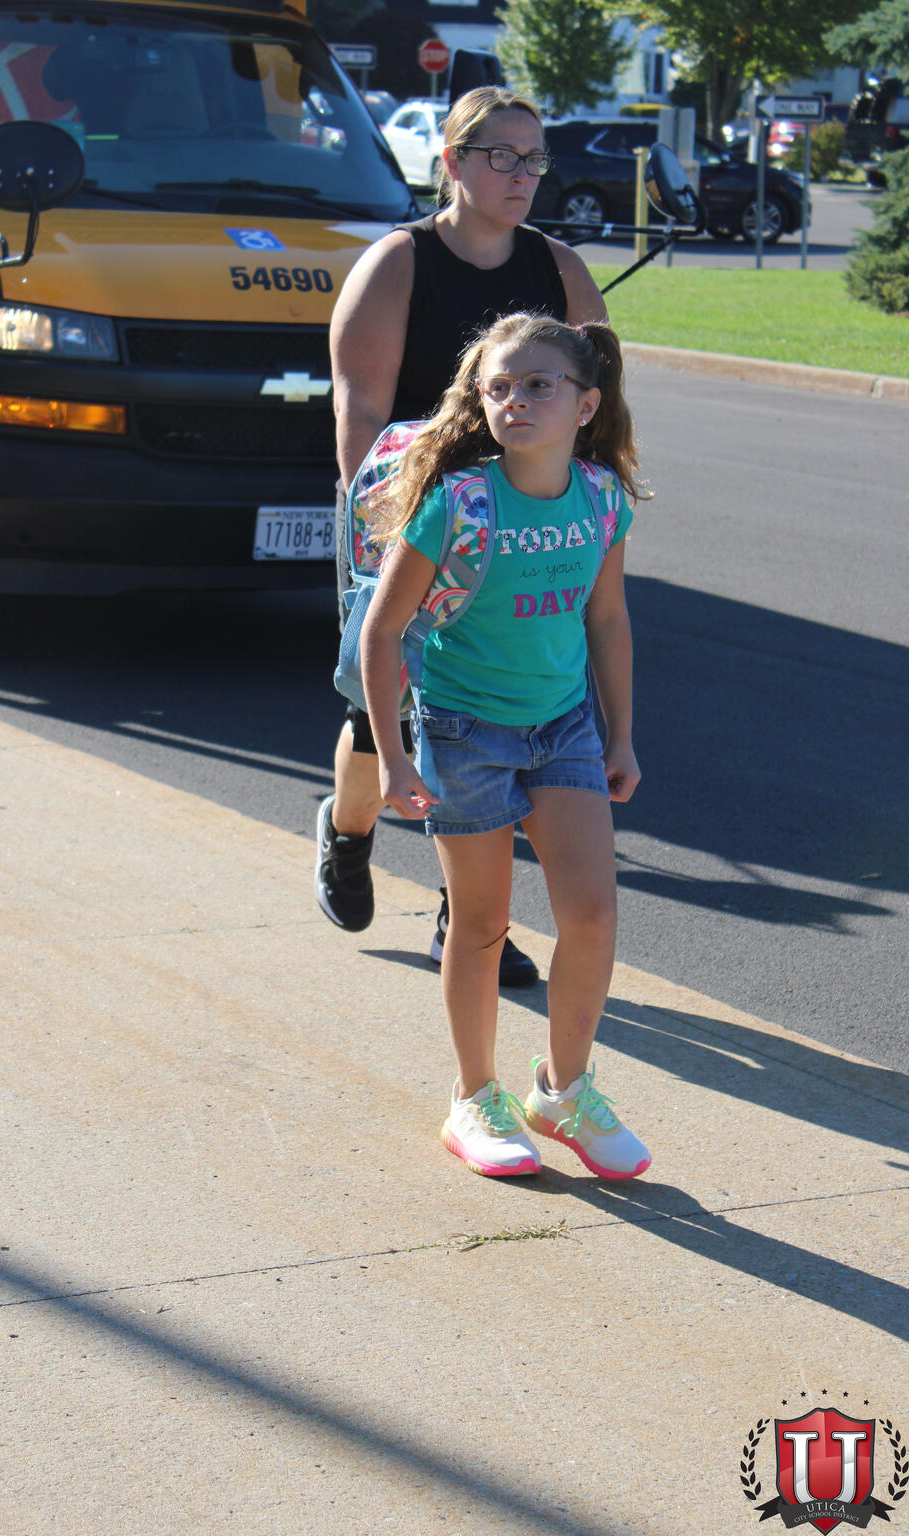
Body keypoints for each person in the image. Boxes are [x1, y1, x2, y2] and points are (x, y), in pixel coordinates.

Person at [316, 85, 609, 986]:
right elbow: (362, 422)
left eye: (534, 159)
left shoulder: (559, 269)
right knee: (380, 719)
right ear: (451, 162)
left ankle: (467, 918)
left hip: (519, 529)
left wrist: (585, 512)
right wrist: (406, 544)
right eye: (500, 157)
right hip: (413, 523)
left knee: (493, 713)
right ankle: (347, 830)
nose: (522, 175)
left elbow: (594, 407)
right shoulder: (397, 265)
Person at [358, 311, 651, 1180]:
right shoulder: (460, 502)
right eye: (498, 387)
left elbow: (607, 619)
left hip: (565, 728)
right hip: (464, 732)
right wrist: (393, 757)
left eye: (538, 385)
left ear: (586, 403)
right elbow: (384, 632)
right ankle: (475, 1098)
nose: (515, 400)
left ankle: (562, 1092)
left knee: (593, 916)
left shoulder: (602, 499)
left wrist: (622, 736)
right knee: (481, 924)